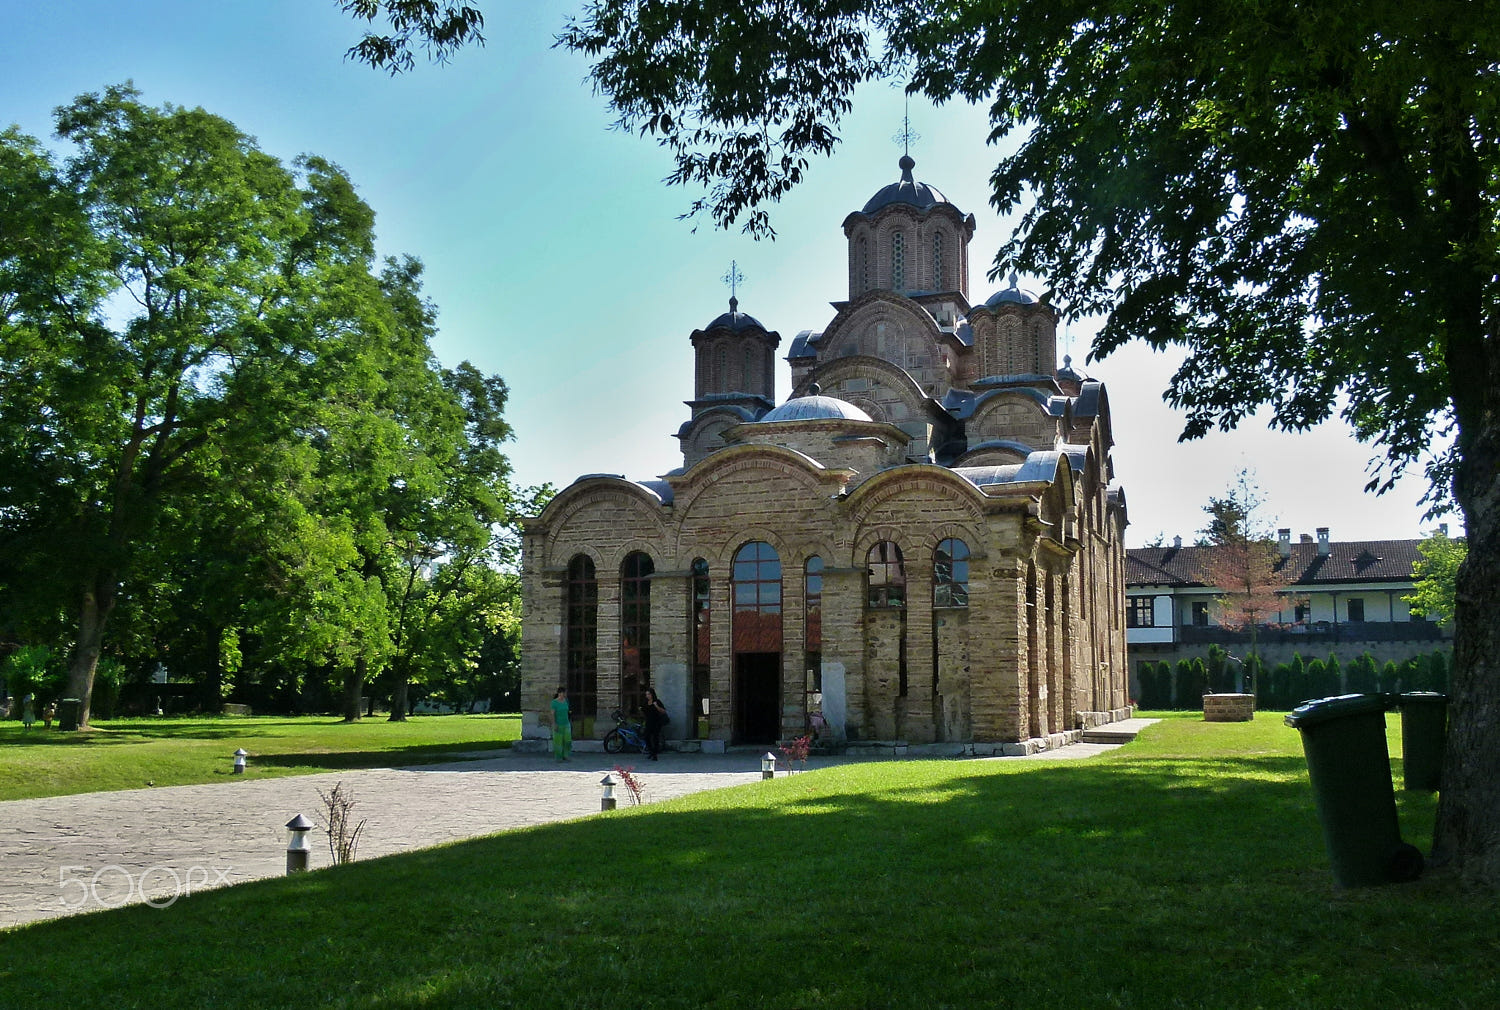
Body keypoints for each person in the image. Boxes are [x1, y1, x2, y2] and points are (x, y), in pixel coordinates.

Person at [642, 687, 668, 760]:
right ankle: (651, 751)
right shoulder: (645, 702)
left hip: (656, 722)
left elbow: (664, 711)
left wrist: (656, 706)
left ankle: (654, 754)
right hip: (648, 722)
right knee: (646, 737)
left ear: (652, 694)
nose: (648, 696)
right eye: (646, 694)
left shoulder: (657, 701)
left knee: (655, 738)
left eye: (649, 694)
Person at [550, 687, 572, 762]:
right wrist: (554, 724)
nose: (565, 694)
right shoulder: (554, 702)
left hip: (566, 723)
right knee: (558, 741)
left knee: (568, 741)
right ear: (560, 693)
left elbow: (568, 711)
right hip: (558, 724)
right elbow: (552, 714)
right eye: (564, 693)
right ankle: (558, 757)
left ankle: (566, 755)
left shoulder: (566, 701)